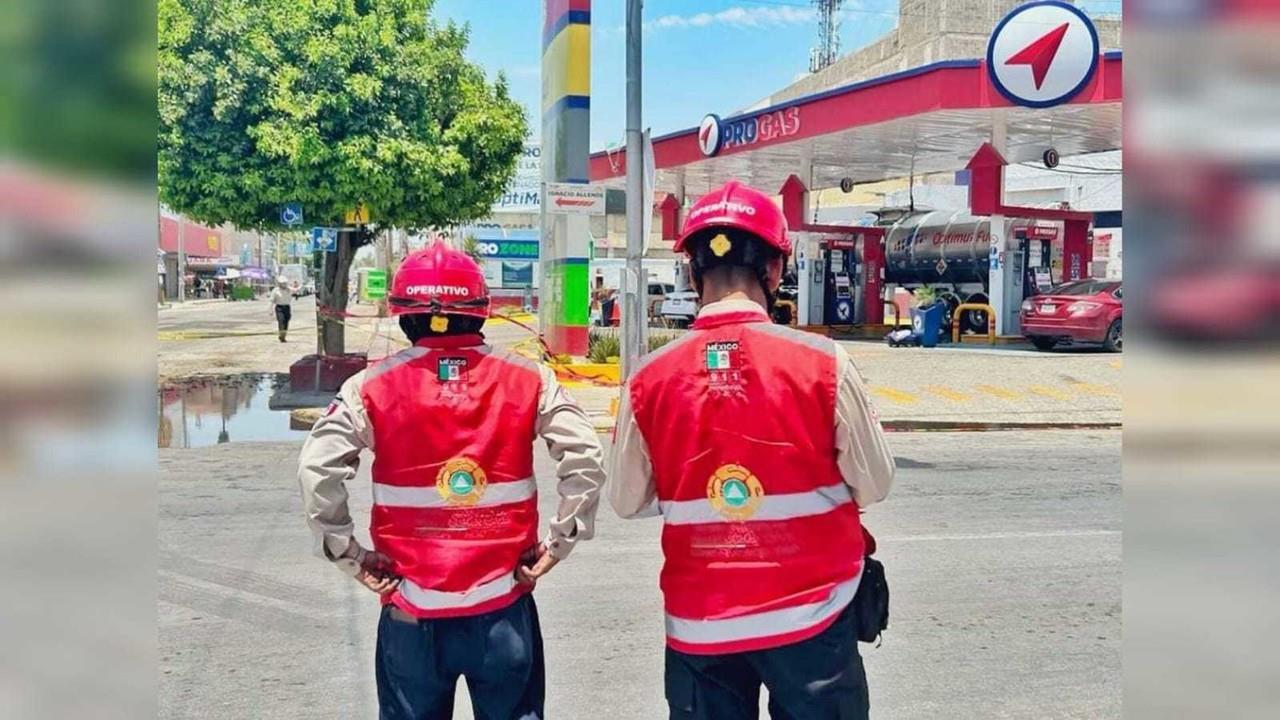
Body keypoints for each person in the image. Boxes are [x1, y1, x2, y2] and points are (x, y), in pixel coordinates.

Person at [608, 181, 896, 720]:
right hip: (812, 617)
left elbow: (627, 500)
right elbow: (875, 482)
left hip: (701, 625)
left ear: (694, 274)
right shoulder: (824, 362)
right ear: (775, 271)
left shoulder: (648, 380)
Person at [297, 242, 606, 720]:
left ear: (403, 314)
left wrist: (349, 555)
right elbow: (585, 456)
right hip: (504, 604)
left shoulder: (369, 386)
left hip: (410, 612)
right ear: (480, 312)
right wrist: (557, 543)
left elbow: (318, 470)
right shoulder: (531, 378)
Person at [270, 277, 293, 342]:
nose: (284, 285)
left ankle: (283, 335)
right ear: (279, 284)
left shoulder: (288, 289)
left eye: (285, 283)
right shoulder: (275, 290)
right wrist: (270, 309)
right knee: (281, 321)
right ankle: (282, 336)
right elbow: (271, 300)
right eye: (282, 284)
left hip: (287, 307)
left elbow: (296, 290)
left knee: (286, 322)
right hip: (279, 308)